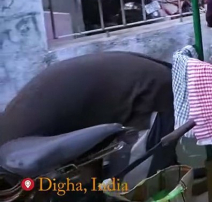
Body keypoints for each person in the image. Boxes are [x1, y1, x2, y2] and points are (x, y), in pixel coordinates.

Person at [0, 52, 177, 183]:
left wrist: (112, 130)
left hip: (147, 93)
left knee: (131, 186)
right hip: (137, 76)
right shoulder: (10, 125)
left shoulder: (13, 151)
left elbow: (46, 159)